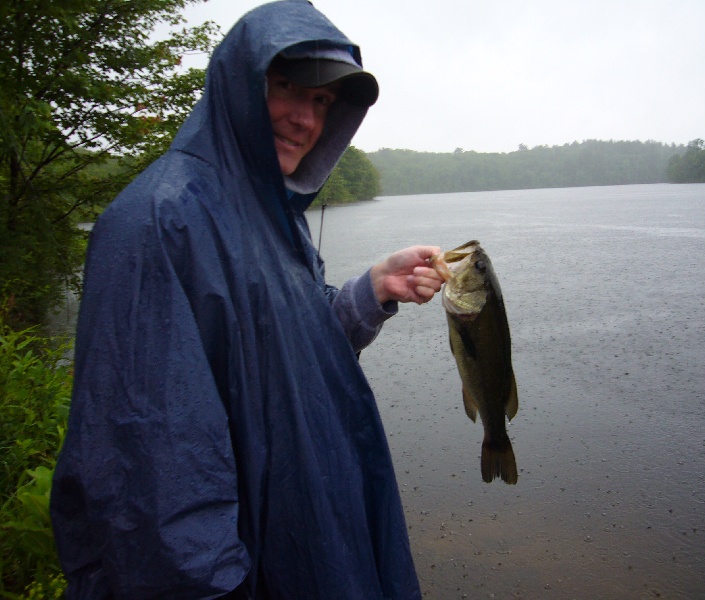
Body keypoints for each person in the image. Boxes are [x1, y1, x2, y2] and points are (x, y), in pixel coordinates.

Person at [50, 1, 444, 598]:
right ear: (238, 85)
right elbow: (150, 475)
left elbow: (283, 358)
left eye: (322, 102)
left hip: (314, 543)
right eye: (287, 87)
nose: (304, 118)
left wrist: (372, 290)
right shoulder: (159, 221)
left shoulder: (272, 217)